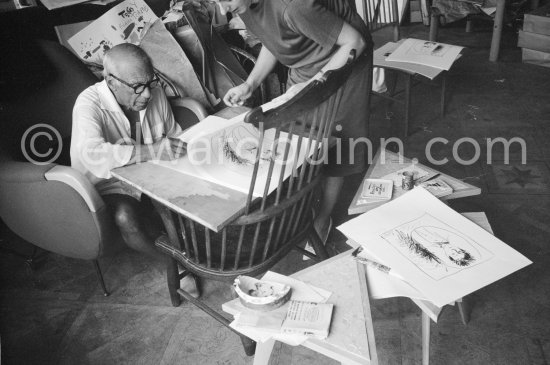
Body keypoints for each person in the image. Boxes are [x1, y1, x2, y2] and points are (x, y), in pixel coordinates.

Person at [216, 0, 373, 244]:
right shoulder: (244, 6)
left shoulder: (293, 6)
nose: (223, 10)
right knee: (300, 135)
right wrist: (251, 83)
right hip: (308, 59)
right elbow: (274, 40)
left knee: (338, 142)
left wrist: (313, 84)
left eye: (226, 0)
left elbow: (355, 42)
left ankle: (323, 217)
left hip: (345, 58)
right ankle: (305, 204)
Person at [70, 43, 197, 294]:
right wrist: (154, 150)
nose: (148, 94)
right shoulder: (88, 103)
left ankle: (187, 250)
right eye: (138, 87)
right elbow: (93, 154)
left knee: (192, 195)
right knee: (125, 218)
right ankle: (174, 264)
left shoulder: (155, 93)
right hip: (110, 182)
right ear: (110, 80)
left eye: (150, 82)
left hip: (150, 172)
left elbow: (172, 135)